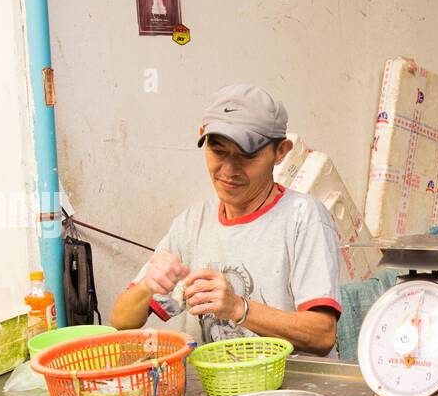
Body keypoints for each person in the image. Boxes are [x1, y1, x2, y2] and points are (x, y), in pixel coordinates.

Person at [110, 83, 342, 355]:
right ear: (203, 139)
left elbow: (323, 333)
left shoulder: (304, 218)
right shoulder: (191, 225)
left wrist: (238, 308)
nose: (228, 170)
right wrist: (148, 286)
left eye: (247, 155)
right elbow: (121, 321)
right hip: (217, 391)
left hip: (288, 393)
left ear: (281, 152)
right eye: (218, 151)